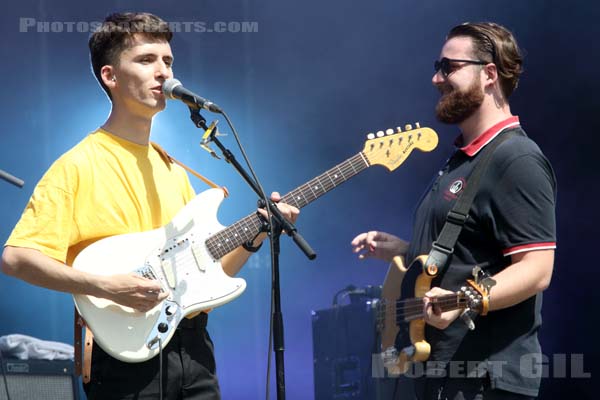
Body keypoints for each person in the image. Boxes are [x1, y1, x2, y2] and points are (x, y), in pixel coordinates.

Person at [1, 12, 299, 400]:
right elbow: (16, 258)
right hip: (124, 359)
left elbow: (208, 269)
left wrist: (256, 235)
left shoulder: (173, 168)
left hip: (194, 352)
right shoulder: (77, 165)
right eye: (146, 60)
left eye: (168, 61)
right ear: (110, 76)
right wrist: (104, 285)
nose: (163, 72)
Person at [352, 22, 556, 399]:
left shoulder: (516, 159)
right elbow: (467, 253)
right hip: (443, 376)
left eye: (449, 67)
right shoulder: (463, 159)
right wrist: (405, 251)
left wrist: (464, 299)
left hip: (484, 380)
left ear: (489, 74)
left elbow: (538, 268)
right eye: (437, 66)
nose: (436, 78)